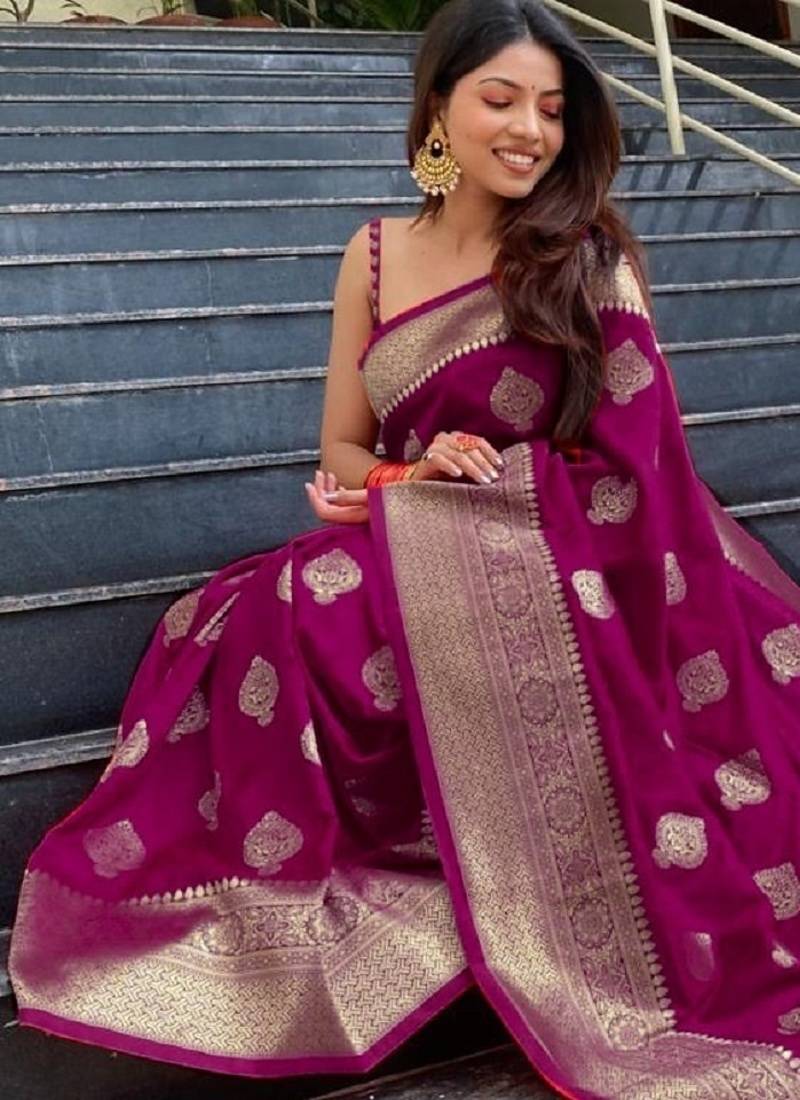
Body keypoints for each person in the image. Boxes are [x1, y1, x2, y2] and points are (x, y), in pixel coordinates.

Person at [8, 1, 800, 1096]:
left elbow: (636, 470)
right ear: (437, 107)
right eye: (501, 99)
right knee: (254, 611)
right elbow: (343, 444)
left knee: (321, 605)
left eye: (552, 110)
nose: (529, 130)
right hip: (419, 530)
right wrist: (407, 475)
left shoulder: (586, 257)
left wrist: (501, 485)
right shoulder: (374, 255)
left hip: (571, 562)